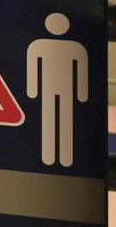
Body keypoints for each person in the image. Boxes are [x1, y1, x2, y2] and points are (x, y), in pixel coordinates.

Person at [26, 12, 88, 167]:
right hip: (56, 89)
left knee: (55, 120)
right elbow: (33, 67)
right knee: (58, 119)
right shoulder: (75, 46)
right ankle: (57, 157)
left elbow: (81, 70)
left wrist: (32, 91)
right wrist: (82, 94)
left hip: (57, 88)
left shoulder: (38, 45)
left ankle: (55, 157)